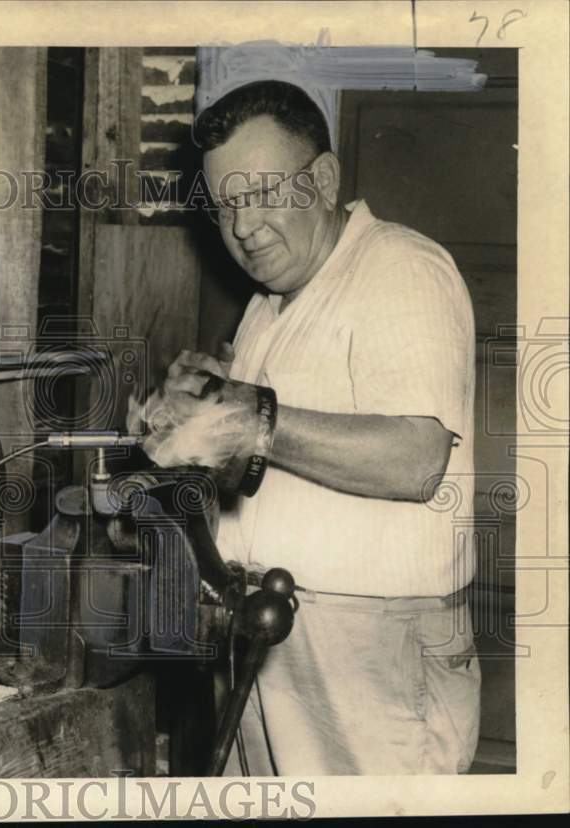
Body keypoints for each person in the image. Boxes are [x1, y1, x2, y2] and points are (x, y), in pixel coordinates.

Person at [147, 80, 480, 775]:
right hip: (267, 626)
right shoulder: (271, 305)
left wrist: (253, 416)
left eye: (263, 193)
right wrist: (189, 417)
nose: (242, 226)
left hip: (367, 647)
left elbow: (417, 460)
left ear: (324, 180)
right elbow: (267, 453)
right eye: (227, 204)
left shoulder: (400, 268)